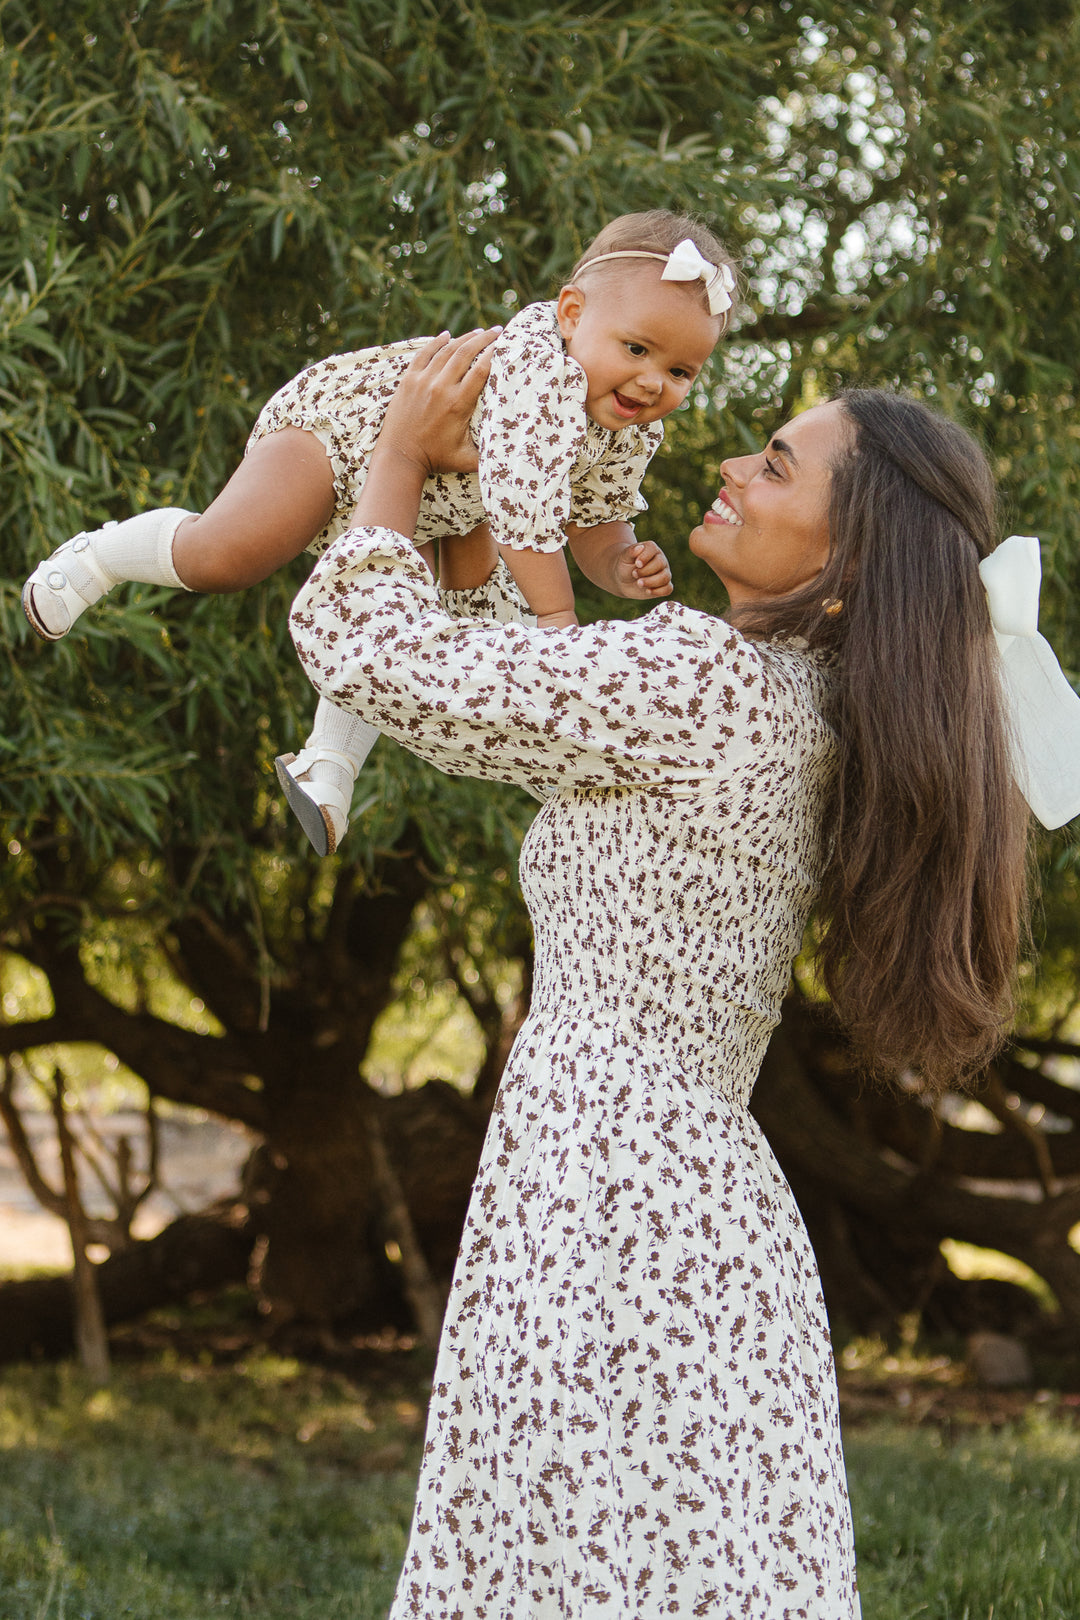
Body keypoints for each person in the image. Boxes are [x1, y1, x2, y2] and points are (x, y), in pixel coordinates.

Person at [288, 323, 1053, 1619]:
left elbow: (389, 667)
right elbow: (514, 682)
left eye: (775, 467)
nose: (733, 469)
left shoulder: (702, 682)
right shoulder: (799, 709)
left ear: (846, 559)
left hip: (605, 1210)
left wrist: (396, 474)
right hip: (691, 1221)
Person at [20, 211, 735, 857]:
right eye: (637, 348)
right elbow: (522, 513)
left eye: (679, 370)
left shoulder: (630, 429)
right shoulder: (541, 373)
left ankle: (326, 768)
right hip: (345, 436)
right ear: (572, 314)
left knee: (398, 622)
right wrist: (557, 620)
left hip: (427, 499)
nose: (652, 383)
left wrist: (617, 564)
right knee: (226, 556)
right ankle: (103, 554)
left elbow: (592, 519)